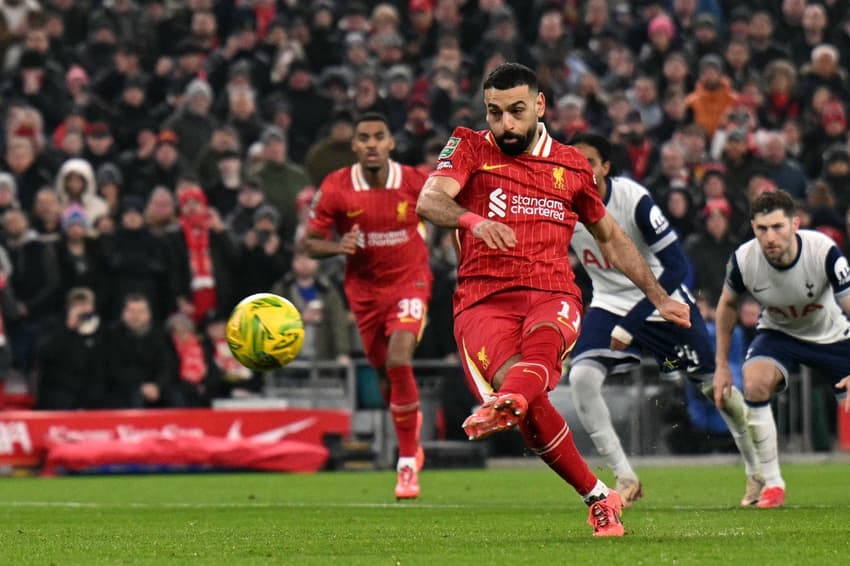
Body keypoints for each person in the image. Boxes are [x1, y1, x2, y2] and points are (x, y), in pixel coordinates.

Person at [415, 63, 689, 537]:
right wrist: (473, 222)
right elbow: (429, 201)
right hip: (482, 300)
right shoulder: (468, 146)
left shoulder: (572, 166)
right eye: (495, 113)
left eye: (516, 111)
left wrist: (658, 295)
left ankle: (509, 401)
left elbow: (612, 238)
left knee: (533, 360)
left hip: (552, 293)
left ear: (539, 106)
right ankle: (599, 497)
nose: (506, 124)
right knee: (525, 396)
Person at [565, 133, 759, 508]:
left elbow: (677, 267)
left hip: (661, 302)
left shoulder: (632, 199)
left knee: (714, 390)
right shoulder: (562, 205)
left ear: (605, 166)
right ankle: (624, 477)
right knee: (582, 378)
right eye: (574, 162)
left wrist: (632, 321)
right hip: (608, 303)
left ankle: (756, 469)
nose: (581, 170)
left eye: (589, 161)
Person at [304, 112, 431, 500]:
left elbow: (451, 210)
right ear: (354, 146)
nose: (372, 143)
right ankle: (410, 429)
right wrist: (336, 247)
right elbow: (310, 242)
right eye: (364, 138)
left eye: (379, 136)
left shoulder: (415, 181)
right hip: (364, 293)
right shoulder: (336, 187)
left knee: (398, 359)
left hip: (410, 283)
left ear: (391, 142)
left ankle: (407, 461)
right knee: (384, 375)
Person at [714, 189, 850, 509]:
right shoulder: (744, 260)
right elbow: (727, 305)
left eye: (778, 227)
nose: (770, 237)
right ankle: (773, 483)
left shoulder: (824, 251)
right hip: (779, 334)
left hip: (834, 336)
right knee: (755, 380)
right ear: (753, 228)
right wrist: (721, 364)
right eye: (762, 229)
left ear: (795, 225)